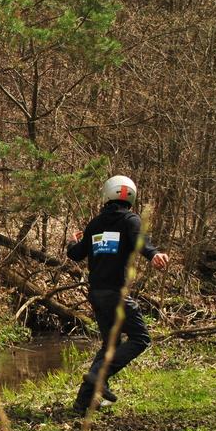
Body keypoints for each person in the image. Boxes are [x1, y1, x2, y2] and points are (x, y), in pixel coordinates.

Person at [66, 175, 170, 416]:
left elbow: (75, 254)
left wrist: (72, 243)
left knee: (110, 345)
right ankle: (99, 375)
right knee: (140, 337)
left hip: (96, 294)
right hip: (114, 294)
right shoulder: (130, 220)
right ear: (131, 197)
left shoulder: (95, 223)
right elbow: (140, 240)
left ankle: (83, 401)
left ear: (107, 194)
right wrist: (153, 254)